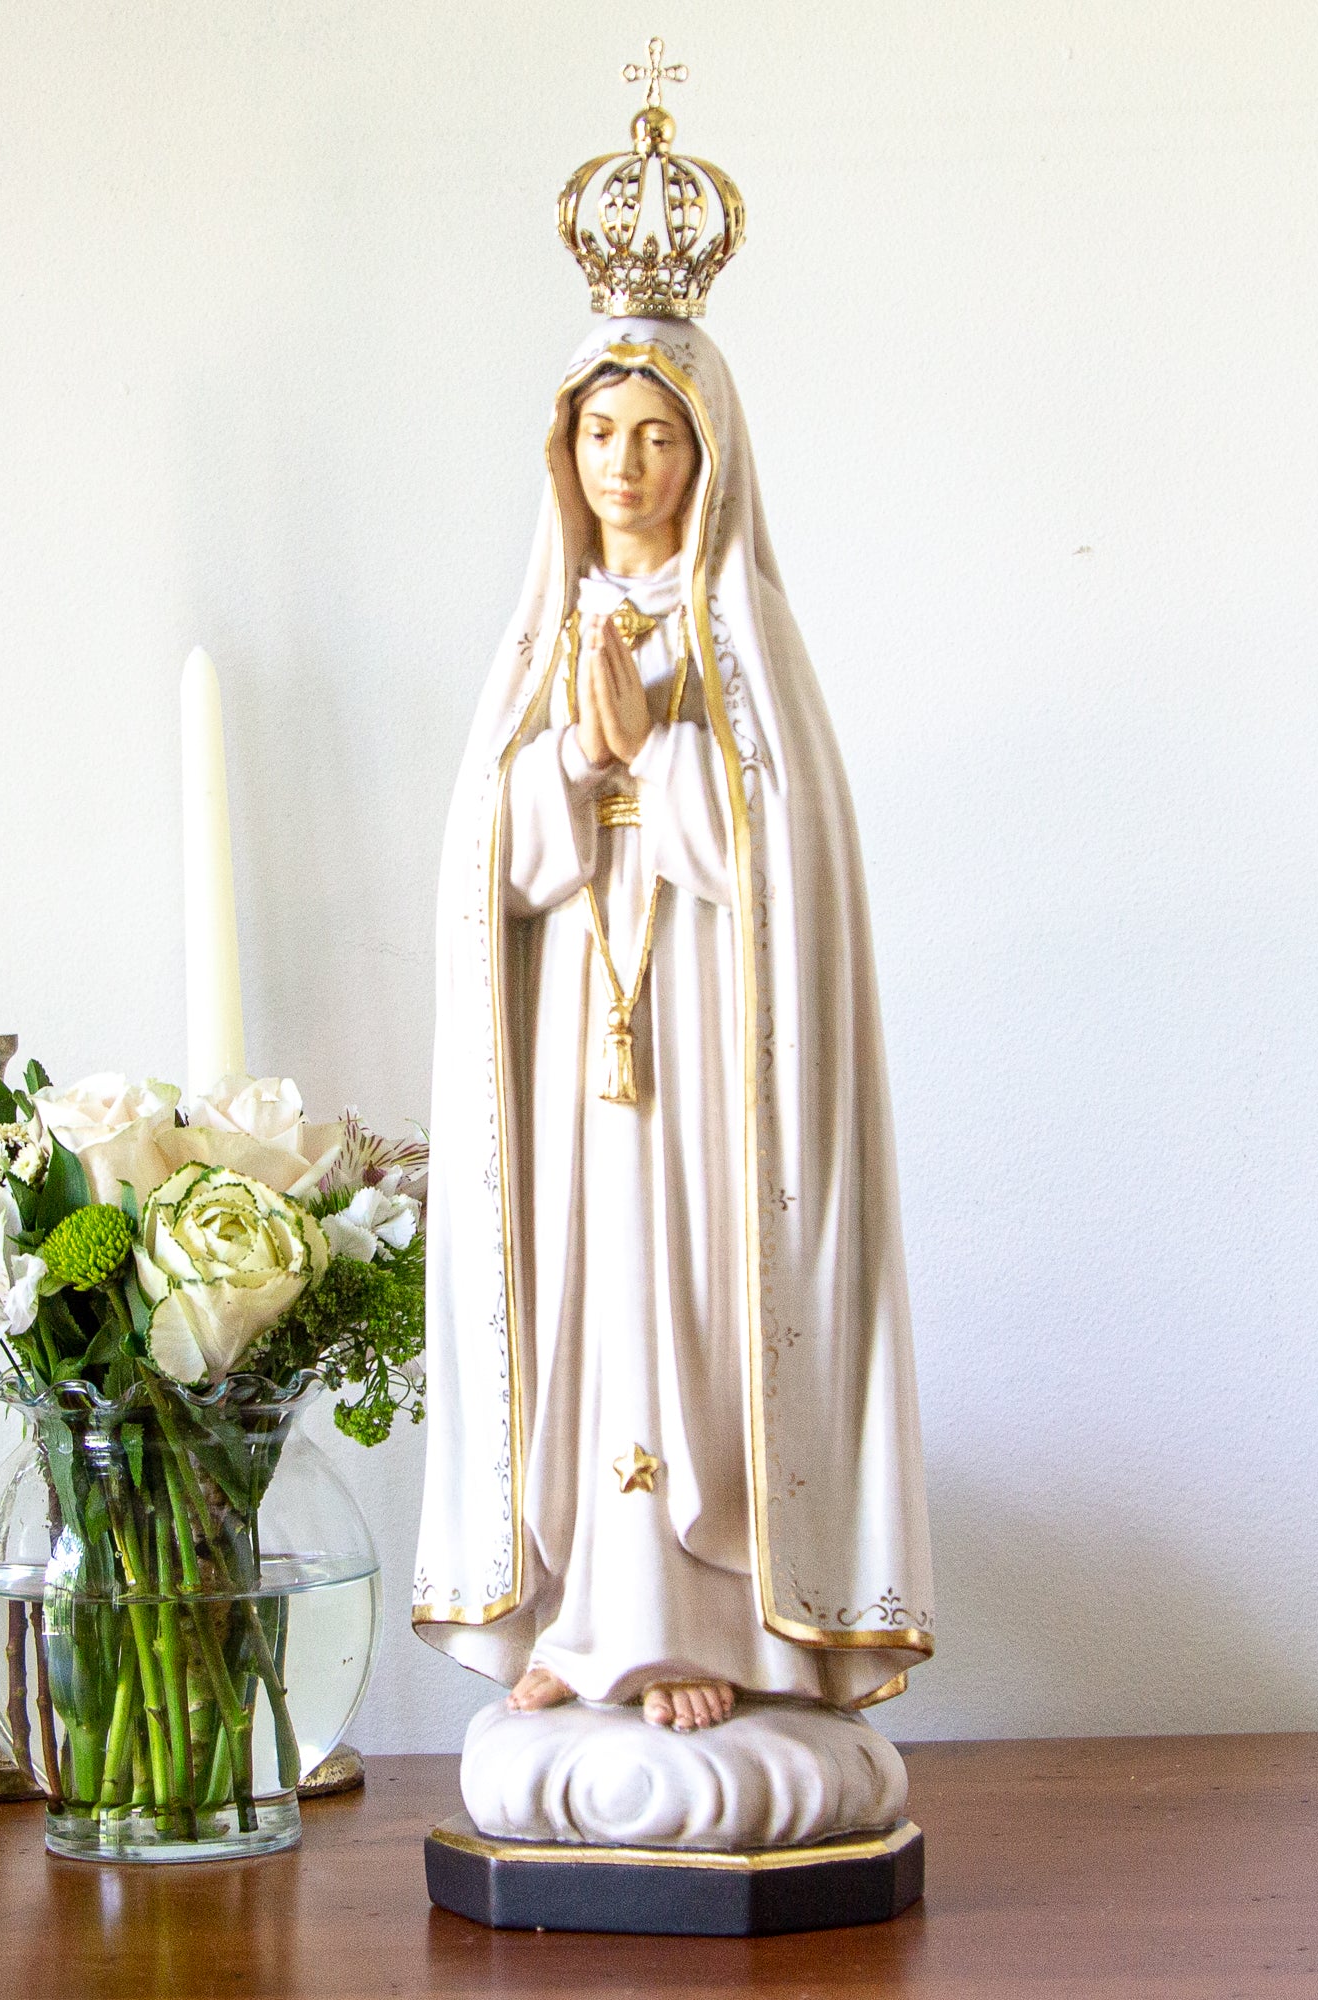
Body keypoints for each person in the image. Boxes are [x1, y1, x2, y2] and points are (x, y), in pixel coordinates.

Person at [415, 312, 935, 1733]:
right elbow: (483, 875)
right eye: (599, 433)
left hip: (711, 1045)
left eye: (657, 436)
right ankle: (585, 1614)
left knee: (695, 1294)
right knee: (585, 1295)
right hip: (573, 1043)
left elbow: (790, 867)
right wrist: (575, 761)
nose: (624, 464)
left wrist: (662, 752)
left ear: (707, 457)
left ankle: (698, 1621)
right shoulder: (541, 639)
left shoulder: (741, 637)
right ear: (564, 451)